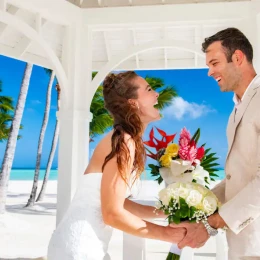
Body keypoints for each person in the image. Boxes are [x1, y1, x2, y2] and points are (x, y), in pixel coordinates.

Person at [47, 71, 186, 260]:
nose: (157, 94)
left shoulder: (124, 139)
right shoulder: (123, 142)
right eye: (149, 89)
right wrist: (167, 234)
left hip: (79, 242)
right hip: (80, 247)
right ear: (133, 102)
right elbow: (112, 213)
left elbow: (117, 202)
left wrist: (162, 212)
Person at [174, 27, 260, 259]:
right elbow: (240, 178)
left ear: (238, 58)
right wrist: (199, 204)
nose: (209, 72)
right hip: (243, 245)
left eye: (214, 63)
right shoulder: (236, 111)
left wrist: (211, 225)